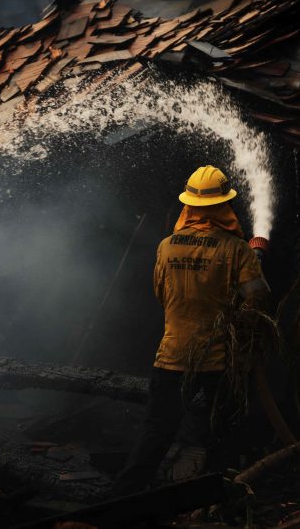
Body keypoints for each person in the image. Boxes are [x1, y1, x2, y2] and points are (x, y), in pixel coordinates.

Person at [112, 165, 271, 496]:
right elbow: (256, 300)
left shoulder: (166, 247)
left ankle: (122, 498)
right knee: (222, 434)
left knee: (156, 431)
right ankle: (214, 501)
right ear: (224, 206)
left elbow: (162, 296)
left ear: (190, 205)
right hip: (217, 362)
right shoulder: (235, 250)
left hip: (170, 357)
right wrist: (255, 257)